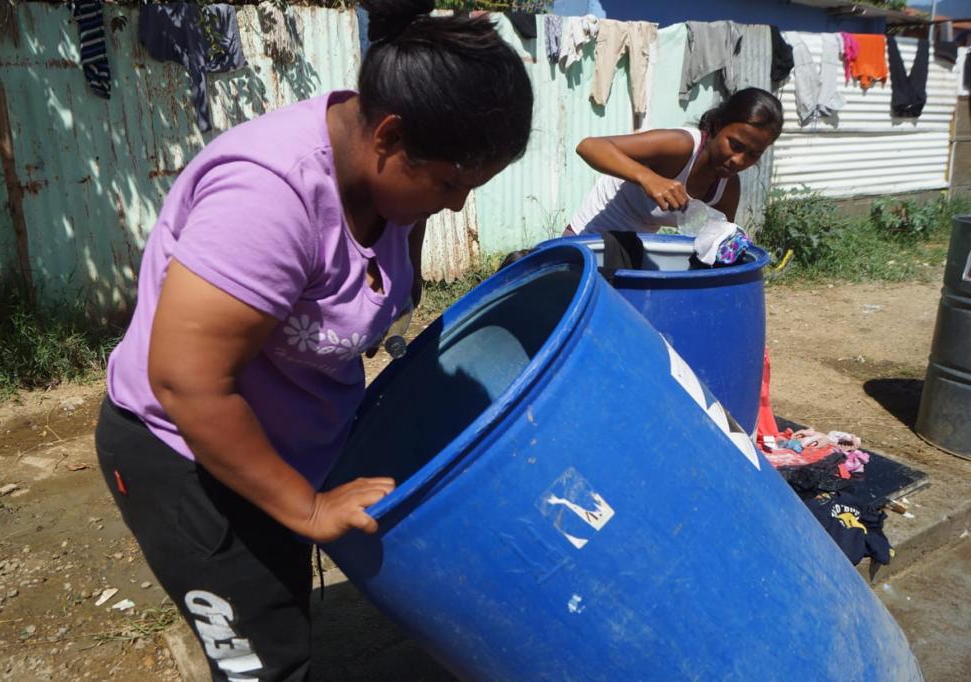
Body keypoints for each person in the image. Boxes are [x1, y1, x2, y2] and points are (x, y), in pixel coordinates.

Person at [94, 0, 533, 679]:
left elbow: (374, 295)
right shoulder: (268, 197)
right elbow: (187, 381)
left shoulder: (388, 187)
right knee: (263, 664)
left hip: (277, 447)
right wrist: (307, 506)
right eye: (450, 183)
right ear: (388, 137)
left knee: (279, 610)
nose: (455, 205)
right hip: (186, 455)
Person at [566, 87, 783, 237]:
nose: (739, 160)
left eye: (754, 154)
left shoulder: (726, 189)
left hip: (634, 247)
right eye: (735, 145)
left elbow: (718, 239)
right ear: (717, 126)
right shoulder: (681, 145)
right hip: (588, 236)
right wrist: (648, 178)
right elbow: (589, 146)